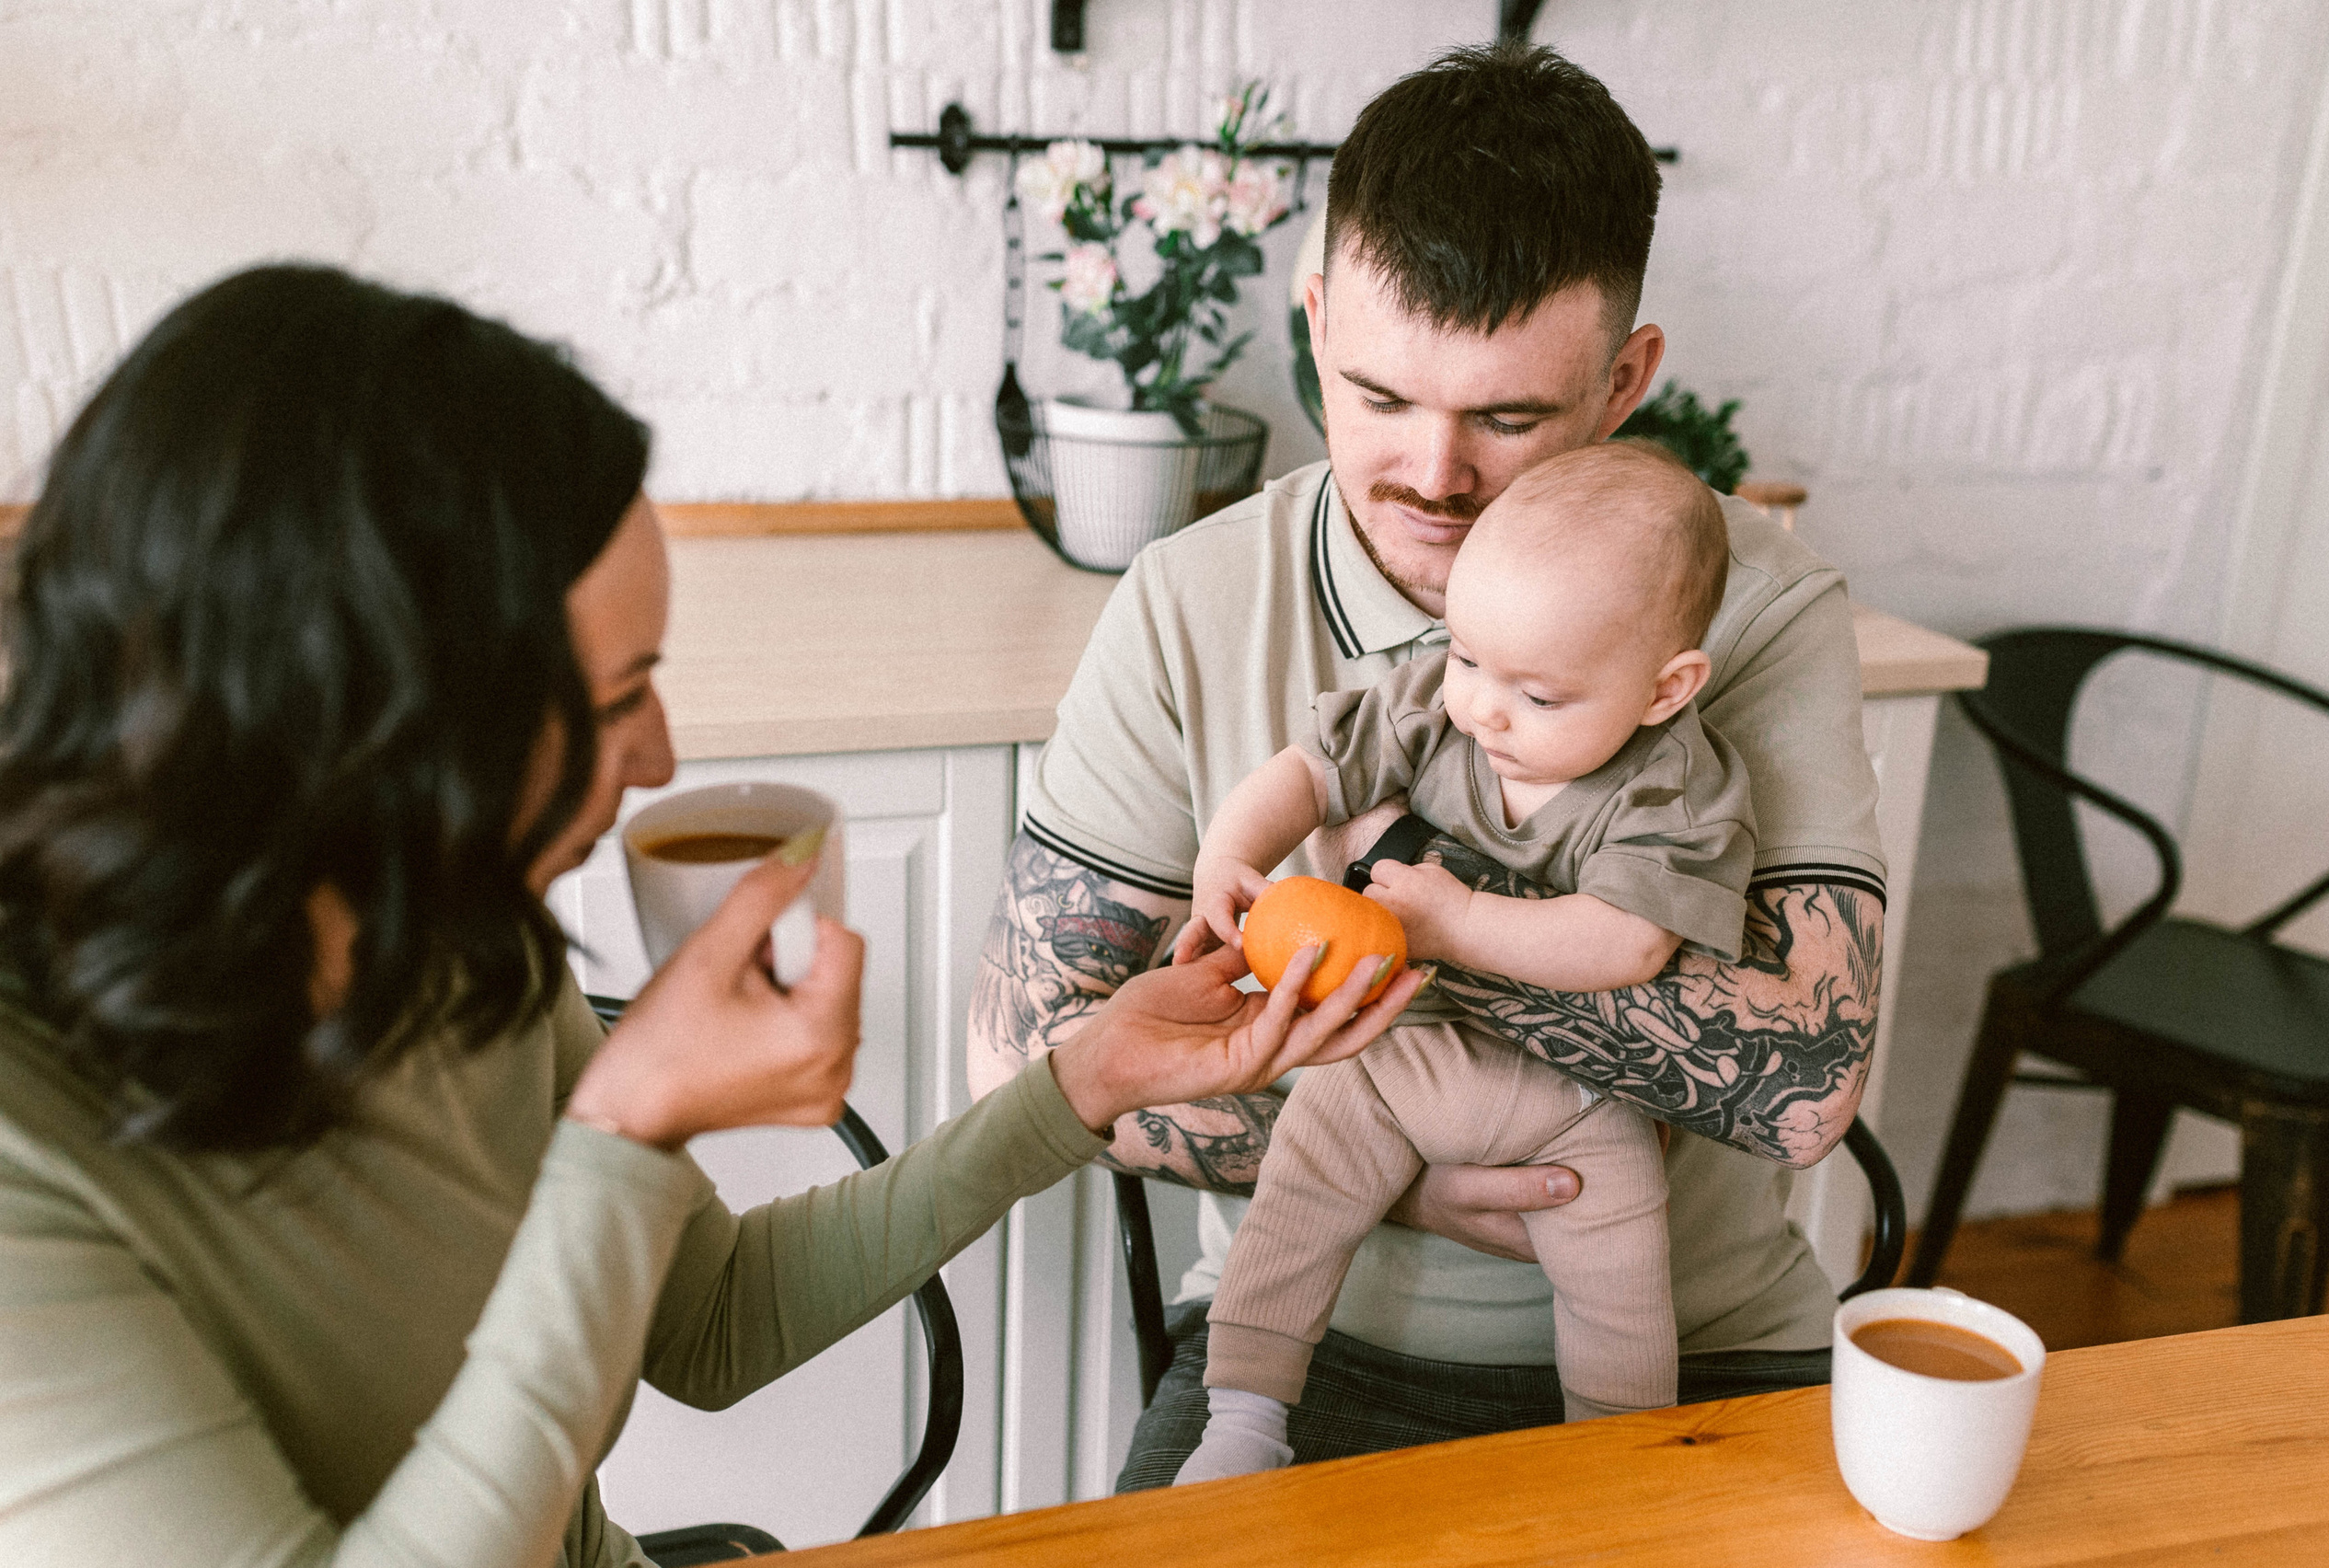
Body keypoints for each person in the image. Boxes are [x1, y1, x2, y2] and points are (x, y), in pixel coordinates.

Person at [0, 264, 1424, 1567]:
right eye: (615, 702)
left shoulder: (449, 932)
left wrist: (1077, 1084)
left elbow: (713, 1320)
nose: (662, 760)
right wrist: (623, 1139)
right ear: (367, 725)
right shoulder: (28, 1164)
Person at [966, 40, 1886, 1490]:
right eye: (1380, 396)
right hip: (1306, 1345)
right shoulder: (1190, 600)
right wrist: (1396, 1162)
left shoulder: (1752, 613)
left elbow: (1803, 1085)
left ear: (1626, 378)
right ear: (1317, 321)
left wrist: (1383, 932)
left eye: (1509, 418)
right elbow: (1023, 1058)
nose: (1433, 473)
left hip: (1708, 1349)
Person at [1171, 442, 1747, 1484]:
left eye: (1538, 695)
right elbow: (1308, 772)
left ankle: (1618, 1470)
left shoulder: (1673, 788)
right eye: (1469, 658)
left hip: (1576, 1106)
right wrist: (1228, 854)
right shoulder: (1438, 703)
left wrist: (1452, 922)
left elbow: (1628, 940)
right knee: (1292, 1213)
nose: (1482, 708)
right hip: (1399, 1058)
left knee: (1622, 1300)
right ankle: (1245, 1417)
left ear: (1665, 689)